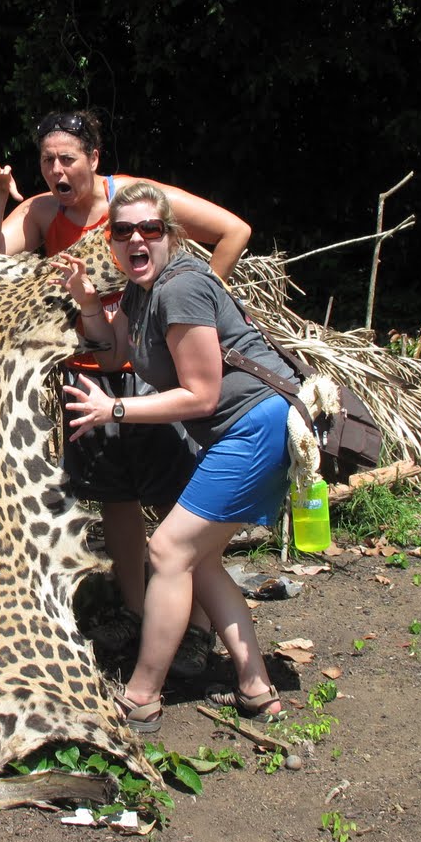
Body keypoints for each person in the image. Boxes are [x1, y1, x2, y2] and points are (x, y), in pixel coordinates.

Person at [0, 110, 253, 654]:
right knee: (115, 499)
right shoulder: (41, 212)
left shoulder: (133, 201)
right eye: (47, 160)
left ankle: (194, 629)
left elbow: (232, 231)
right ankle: (135, 611)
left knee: (176, 498)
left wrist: (188, 304)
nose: (57, 170)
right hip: (86, 378)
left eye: (68, 159)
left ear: (94, 160)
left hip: (152, 377)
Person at [54, 180, 290, 730]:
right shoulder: (142, 292)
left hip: (255, 427)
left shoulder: (181, 287)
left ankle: (141, 695)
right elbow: (115, 354)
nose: (137, 239)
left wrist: (114, 412)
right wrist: (89, 304)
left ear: (171, 235)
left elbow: (201, 395)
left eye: (150, 229)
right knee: (198, 559)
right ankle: (257, 688)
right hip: (243, 431)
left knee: (167, 551)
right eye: (123, 231)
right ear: (110, 240)